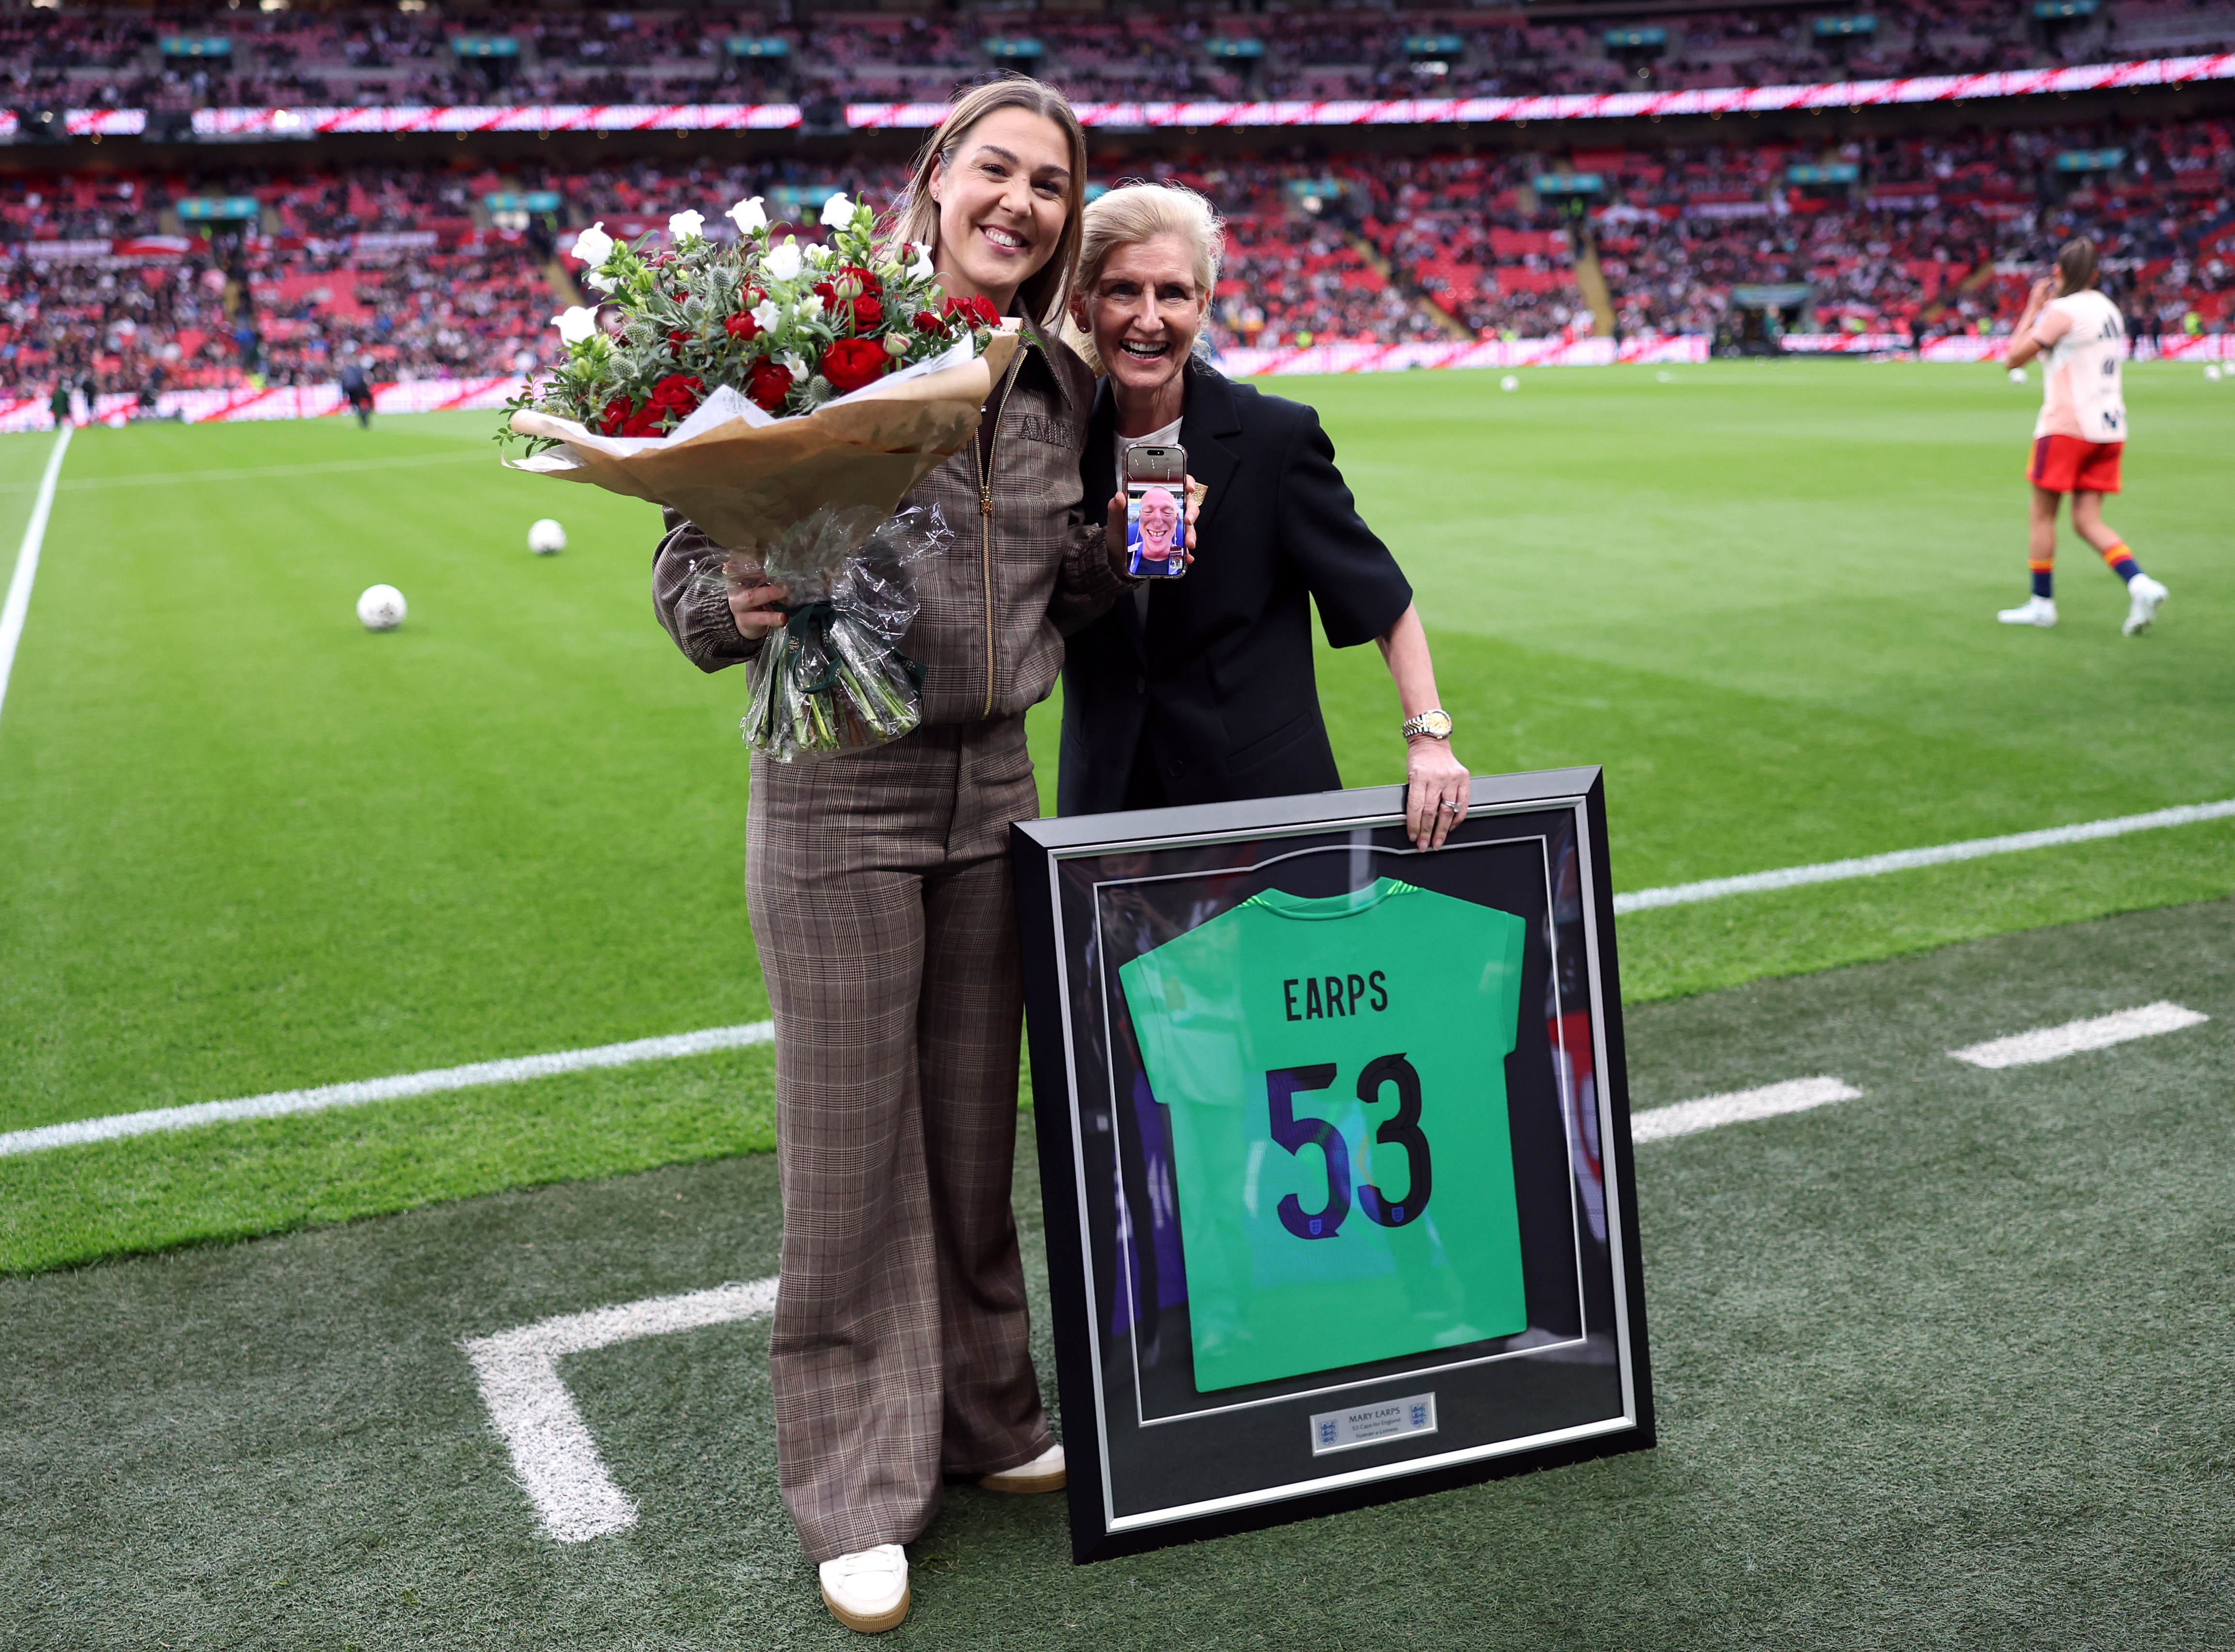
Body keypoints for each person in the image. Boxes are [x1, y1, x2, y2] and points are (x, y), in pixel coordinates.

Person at [648, 79, 1127, 1636]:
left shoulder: (1060, 381)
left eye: (1050, 184)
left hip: (997, 789)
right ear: (933, 179)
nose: (1021, 202)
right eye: (997, 169)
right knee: (851, 1157)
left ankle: (987, 1413)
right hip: (838, 790)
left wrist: (1131, 551)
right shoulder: (823, 348)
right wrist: (730, 600)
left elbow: (1069, 579)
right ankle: (855, 1490)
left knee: (973, 1143)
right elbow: (688, 558)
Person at [1056, 182, 1470, 850]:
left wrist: (1429, 739)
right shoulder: (1056, 446)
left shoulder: (1275, 438)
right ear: (1083, 306)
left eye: (1173, 293)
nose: (1149, 318)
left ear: (1203, 304)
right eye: (1123, 290)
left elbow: (1382, 601)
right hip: (1109, 813)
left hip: (1265, 808)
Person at [2000, 238, 2168, 635]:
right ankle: (2140, 584)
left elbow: (2012, 358)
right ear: (2094, 274)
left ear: (2057, 272)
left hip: (2067, 427)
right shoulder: (2109, 309)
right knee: (2087, 519)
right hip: (2109, 428)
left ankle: (2042, 604)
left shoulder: (2062, 311)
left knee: (2043, 515)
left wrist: (2033, 308)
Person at [1128, 483, 1182, 575]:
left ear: (1176, 519)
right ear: (1140, 517)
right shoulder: (1125, 555)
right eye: (1148, 512)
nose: (1157, 523)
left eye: (1167, 512)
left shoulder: (1182, 557)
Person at [340, 357, 375, 428]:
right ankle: (365, 415)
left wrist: (344, 392)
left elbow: (344, 382)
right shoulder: (358, 369)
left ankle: (362, 416)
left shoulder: (347, 371)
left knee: (357, 405)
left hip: (351, 390)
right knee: (363, 403)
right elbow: (361, 379)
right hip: (358, 389)